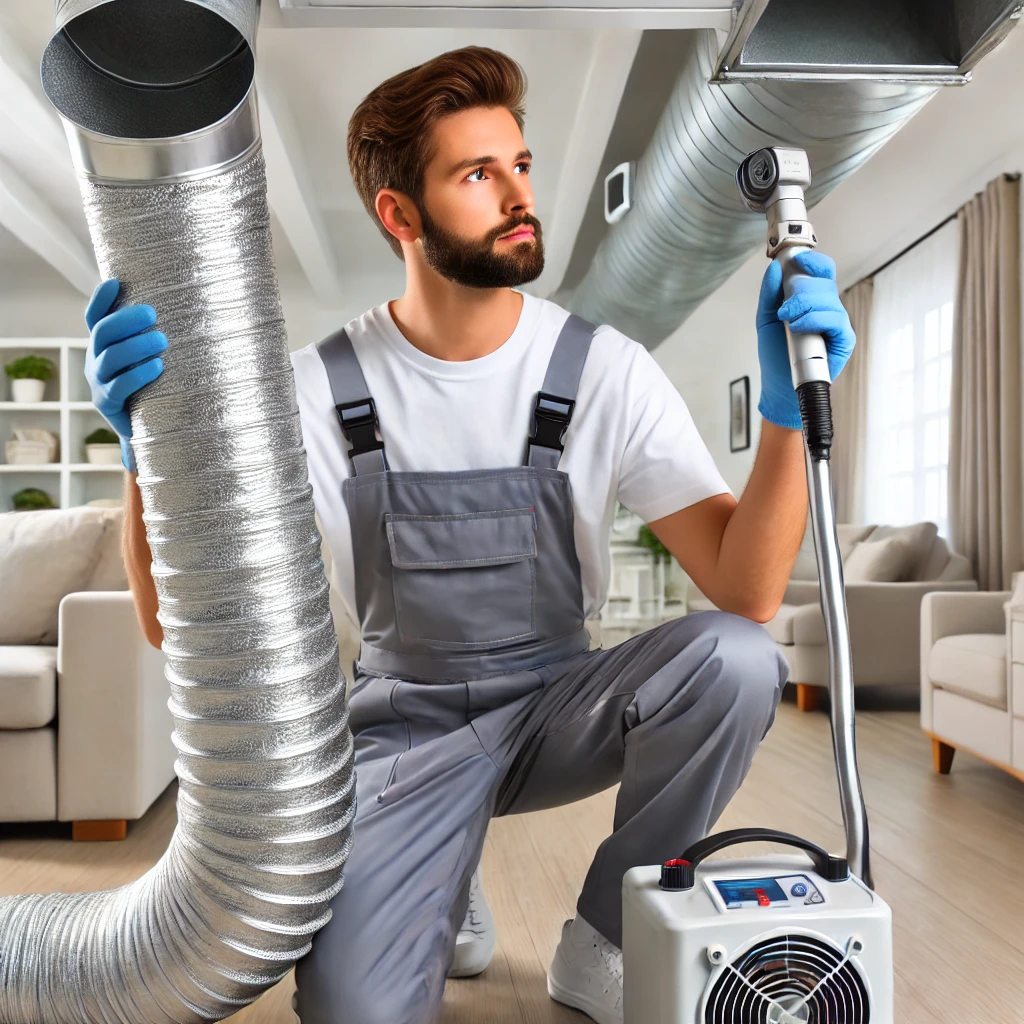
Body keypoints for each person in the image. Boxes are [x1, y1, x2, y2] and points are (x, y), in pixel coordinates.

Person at [83, 46, 854, 1024]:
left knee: (738, 661)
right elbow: (172, 629)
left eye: (520, 165)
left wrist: (786, 413)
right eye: (477, 173)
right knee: (353, 1010)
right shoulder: (315, 390)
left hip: (556, 710)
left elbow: (742, 595)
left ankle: (609, 932)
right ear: (399, 215)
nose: (517, 194)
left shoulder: (602, 370)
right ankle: (439, 875)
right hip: (401, 733)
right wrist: (144, 461)